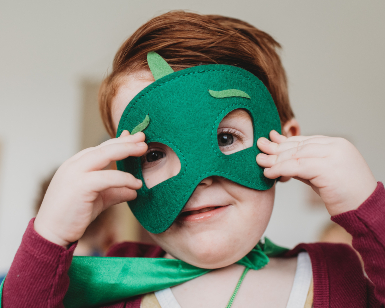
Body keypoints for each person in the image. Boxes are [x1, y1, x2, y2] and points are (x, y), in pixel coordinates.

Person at [2, 11, 384, 308]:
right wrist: (49, 237)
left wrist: (367, 206)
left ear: (287, 146)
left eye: (225, 137)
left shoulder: (344, 275)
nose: (197, 178)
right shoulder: (110, 283)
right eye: (153, 154)